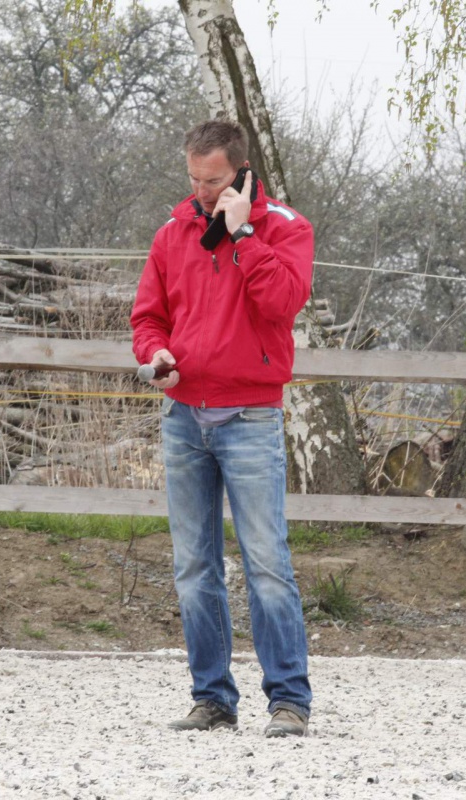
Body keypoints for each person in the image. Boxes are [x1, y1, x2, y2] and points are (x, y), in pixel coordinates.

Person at [130, 119, 314, 738]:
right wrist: (155, 354)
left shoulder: (286, 228)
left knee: (267, 563)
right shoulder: (171, 233)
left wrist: (242, 236)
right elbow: (148, 316)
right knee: (193, 567)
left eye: (212, 182)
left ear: (240, 172)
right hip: (183, 417)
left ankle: (289, 701)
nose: (201, 192)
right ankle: (212, 698)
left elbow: (283, 302)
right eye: (193, 179)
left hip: (250, 418)